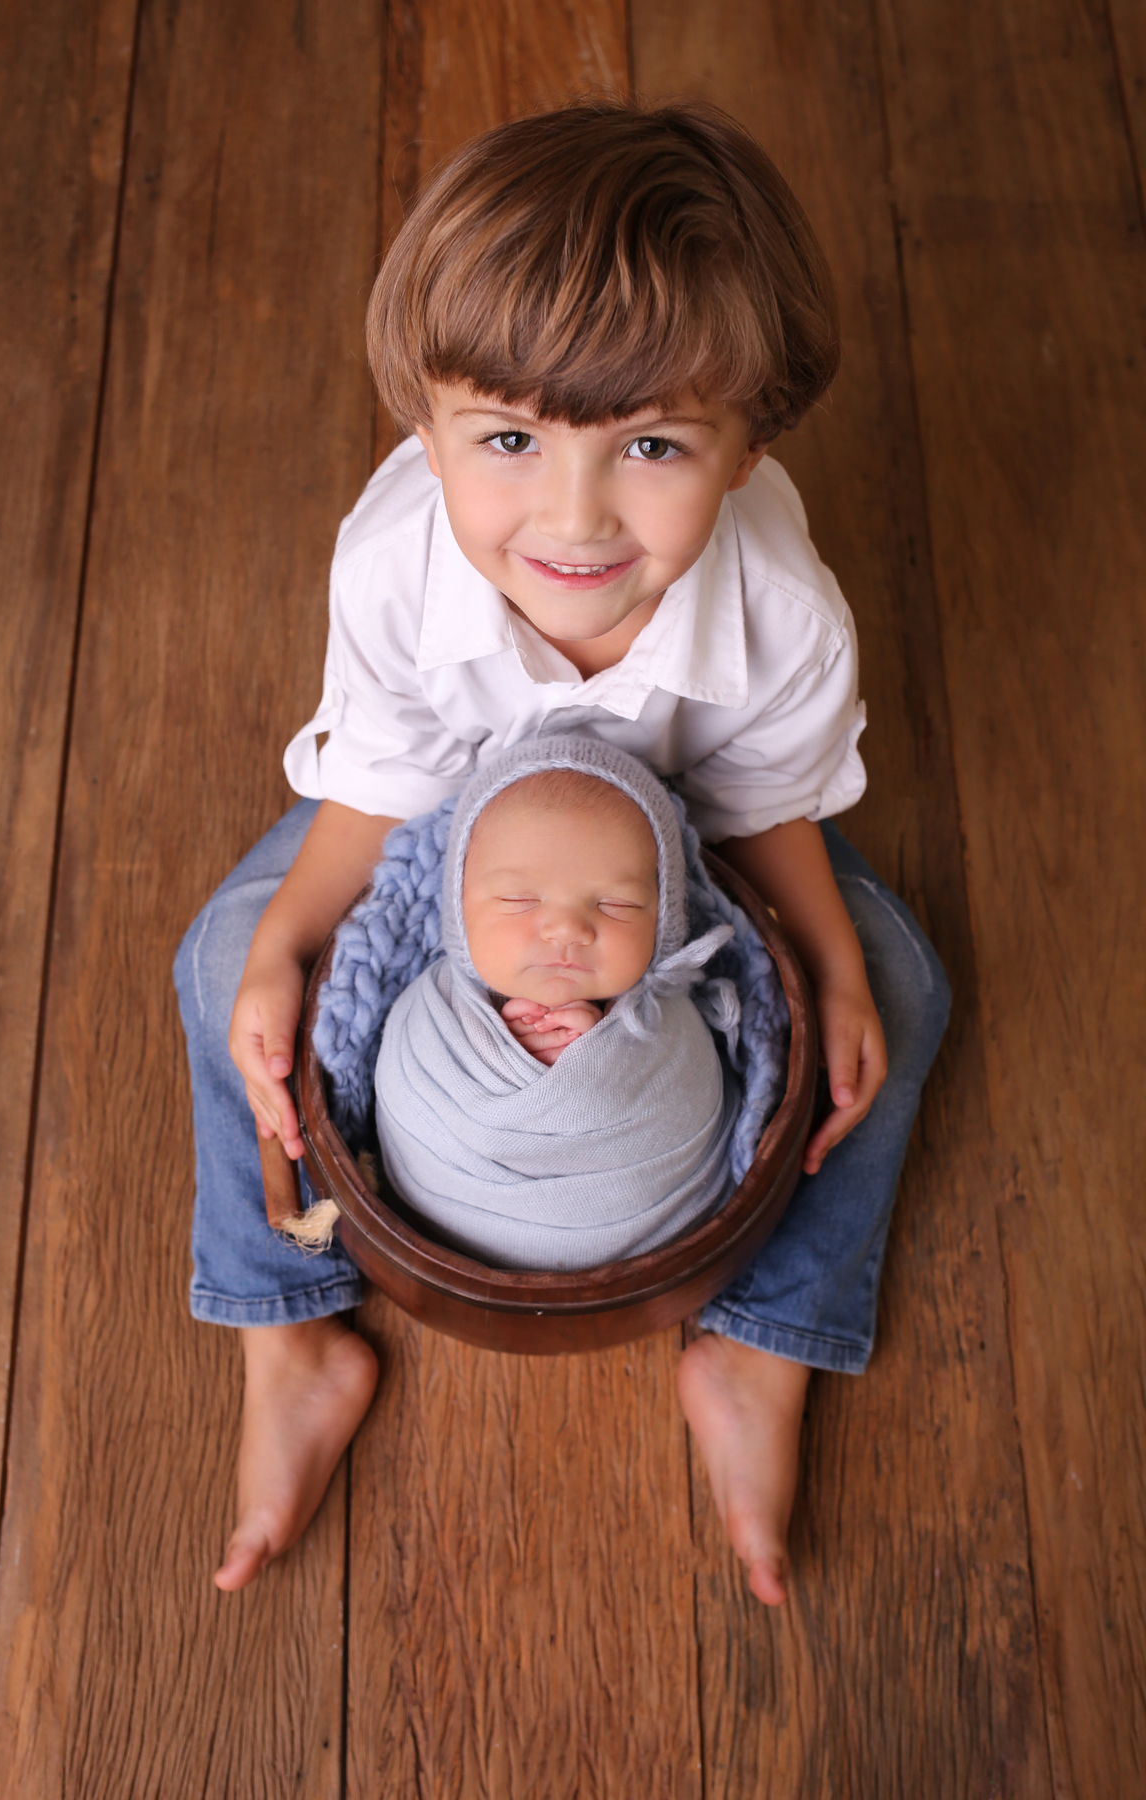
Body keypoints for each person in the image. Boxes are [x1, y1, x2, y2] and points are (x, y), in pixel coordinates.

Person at [173, 98, 951, 1606]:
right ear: (425, 428)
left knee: (903, 993)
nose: (575, 518)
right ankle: (289, 1322)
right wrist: (283, 945)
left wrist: (839, 972)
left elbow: (762, 800)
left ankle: (766, 1342)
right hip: (451, 823)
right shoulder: (395, 565)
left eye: (651, 444)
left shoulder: (785, 612)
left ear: (749, 446)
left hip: (684, 830)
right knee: (223, 964)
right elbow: (384, 787)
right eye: (511, 441)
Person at [372, 740, 745, 1269]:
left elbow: (685, 1103)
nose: (567, 929)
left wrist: (598, 1060)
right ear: (457, 906)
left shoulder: (675, 1025)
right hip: (438, 1242)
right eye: (519, 899)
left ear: (664, 919)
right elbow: (410, 1103)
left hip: (649, 1257)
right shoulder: (427, 1015)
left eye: (616, 904)